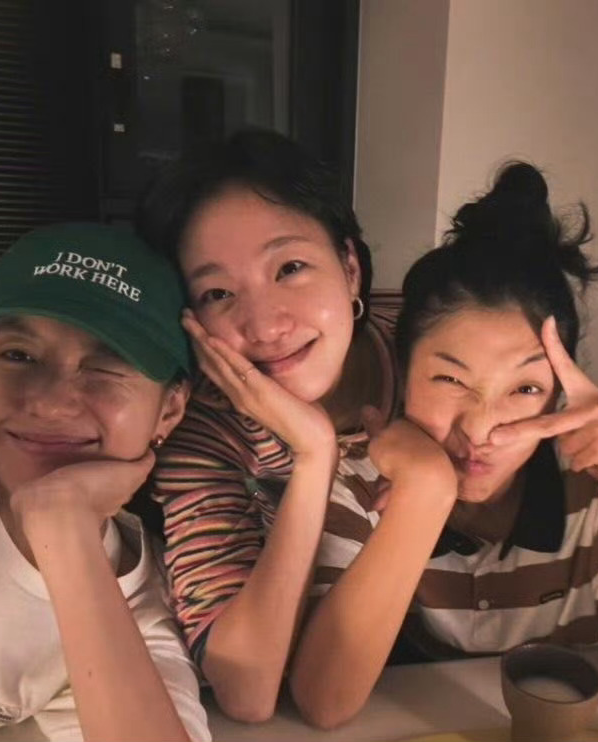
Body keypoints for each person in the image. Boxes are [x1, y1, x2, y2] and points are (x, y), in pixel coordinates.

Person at [292, 162, 598, 738]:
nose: (481, 428)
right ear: (404, 370)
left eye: (525, 390)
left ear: (560, 396)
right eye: (450, 380)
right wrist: (424, 494)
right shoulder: (362, 479)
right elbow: (322, 702)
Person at [0, 223, 210, 742]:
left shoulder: (137, 605)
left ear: (170, 409)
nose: (48, 403)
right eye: (18, 355)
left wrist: (62, 525)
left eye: (106, 367)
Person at [135, 128, 401, 722]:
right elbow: (244, 689)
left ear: (350, 268)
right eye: (217, 293)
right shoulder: (204, 434)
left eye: (291, 268)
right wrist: (314, 454)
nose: (264, 326)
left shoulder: (431, 352)